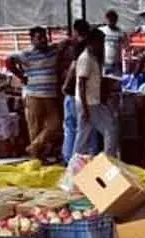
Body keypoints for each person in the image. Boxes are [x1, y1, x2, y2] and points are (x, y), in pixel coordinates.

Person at [8, 27, 62, 161]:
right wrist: (21, 76)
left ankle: (34, 147)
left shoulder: (52, 51)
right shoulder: (26, 54)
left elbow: (65, 44)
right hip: (34, 95)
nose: (43, 40)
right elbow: (8, 61)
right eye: (39, 38)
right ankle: (37, 158)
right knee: (35, 127)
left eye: (44, 37)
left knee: (55, 125)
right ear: (32, 40)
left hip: (50, 95)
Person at [74, 28, 118, 157]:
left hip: (91, 102)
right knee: (110, 128)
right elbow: (81, 84)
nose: (102, 45)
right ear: (93, 42)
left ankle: (76, 160)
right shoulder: (86, 58)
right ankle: (109, 159)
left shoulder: (93, 57)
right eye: (101, 42)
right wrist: (85, 108)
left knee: (84, 134)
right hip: (89, 103)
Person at [58, 19, 97, 163]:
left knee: (71, 127)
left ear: (75, 31)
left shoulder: (79, 47)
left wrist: (66, 85)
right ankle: (88, 160)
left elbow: (74, 68)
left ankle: (70, 159)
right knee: (87, 129)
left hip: (76, 94)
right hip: (89, 95)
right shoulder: (93, 47)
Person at [99, 10, 125, 76]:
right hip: (105, 62)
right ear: (106, 19)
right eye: (109, 18)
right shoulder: (101, 30)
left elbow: (124, 47)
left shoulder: (120, 32)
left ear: (116, 20)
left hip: (117, 63)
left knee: (116, 82)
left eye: (113, 18)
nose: (111, 20)